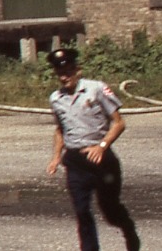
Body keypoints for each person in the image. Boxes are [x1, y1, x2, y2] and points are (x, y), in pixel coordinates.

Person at [46, 47, 142, 251]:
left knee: (110, 211)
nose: (65, 78)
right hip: (75, 162)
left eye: (69, 72)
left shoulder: (96, 89)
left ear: (77, 70)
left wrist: (102, 146)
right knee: (81, 212)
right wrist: (55, 157)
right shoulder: (56, 99)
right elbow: (60, 130)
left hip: (102, 160)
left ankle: (128, 229)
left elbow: (118, 123)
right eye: (60, 74)